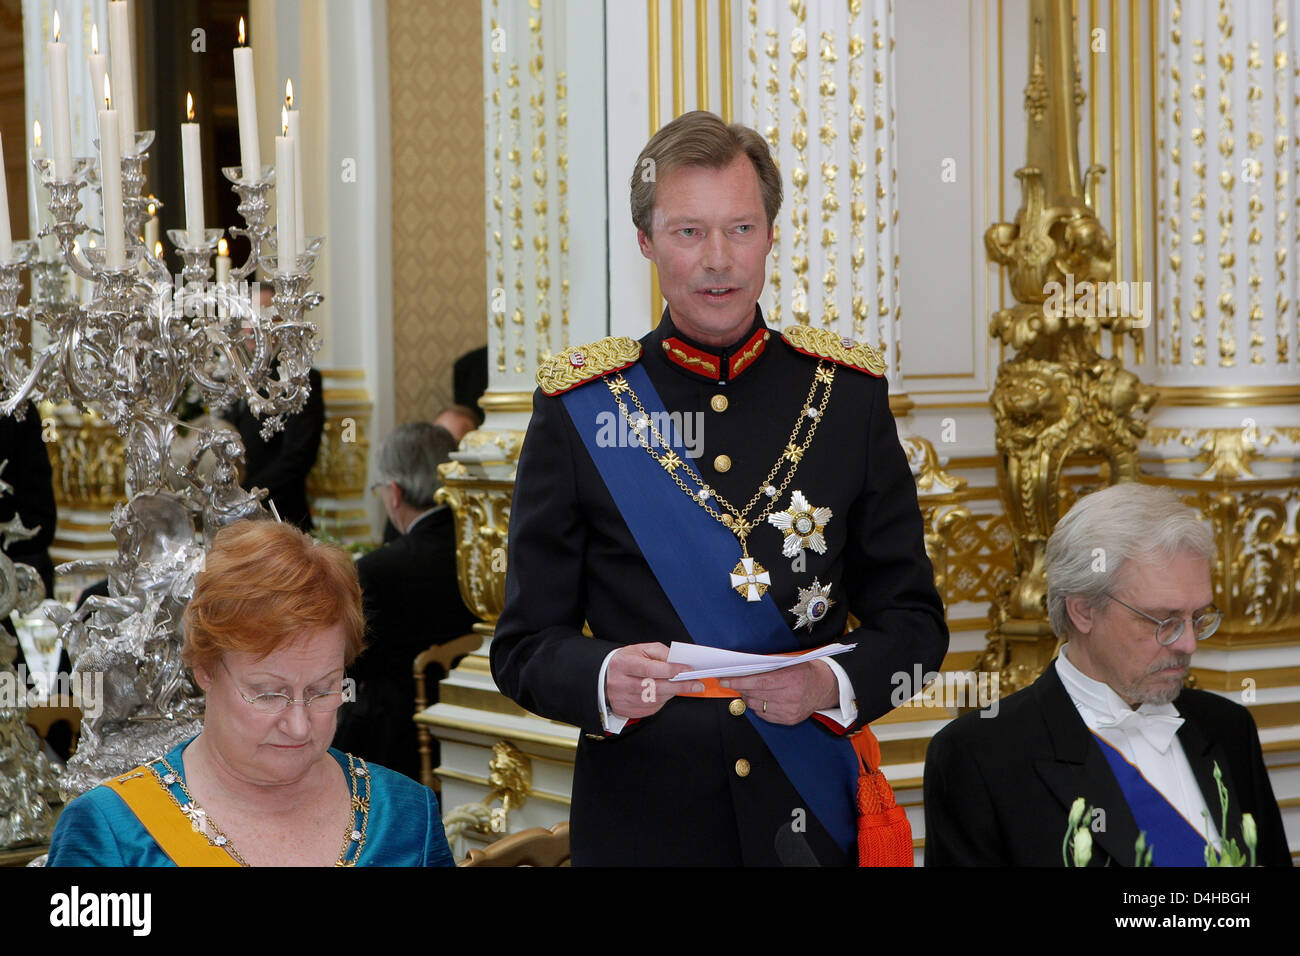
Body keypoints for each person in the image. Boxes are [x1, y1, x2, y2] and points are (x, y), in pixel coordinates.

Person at [491, 111, 948, 866]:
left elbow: (915, 625)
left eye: (740, 228)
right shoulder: (581, 408)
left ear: (770, 233)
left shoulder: (846, 396)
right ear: (646, 242)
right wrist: (604, 676)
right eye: (688, 232)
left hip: (809, 808)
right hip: (645, 823)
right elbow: (523, 645)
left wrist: (826, 682)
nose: (719, 261)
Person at [46, 519, 454, 866]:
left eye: (323, 690)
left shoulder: (407, 818)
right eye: (268, 694)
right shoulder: (112, 833)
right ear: (205, 669)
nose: (298, 726)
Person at [923, 483, 1291, 867]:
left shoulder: (1228, 728)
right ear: (1084, 611)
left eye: (1198, 618)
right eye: (1164, 621)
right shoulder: (980, 756)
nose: (1189, 644)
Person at [333, 423, 477, 779]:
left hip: (398, 747)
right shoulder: (484, 553)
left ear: (393, 493)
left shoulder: (378, 570)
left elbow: (349, 668)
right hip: (475, 729)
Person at [225, 285, 325, 532]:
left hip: (282, 520)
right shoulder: (229, 377)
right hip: (235, 521)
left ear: (280, 324)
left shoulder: (300, 380)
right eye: (246, 317)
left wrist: (245, 497)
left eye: (259, 319)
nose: (249, 329)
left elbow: (297, 457)